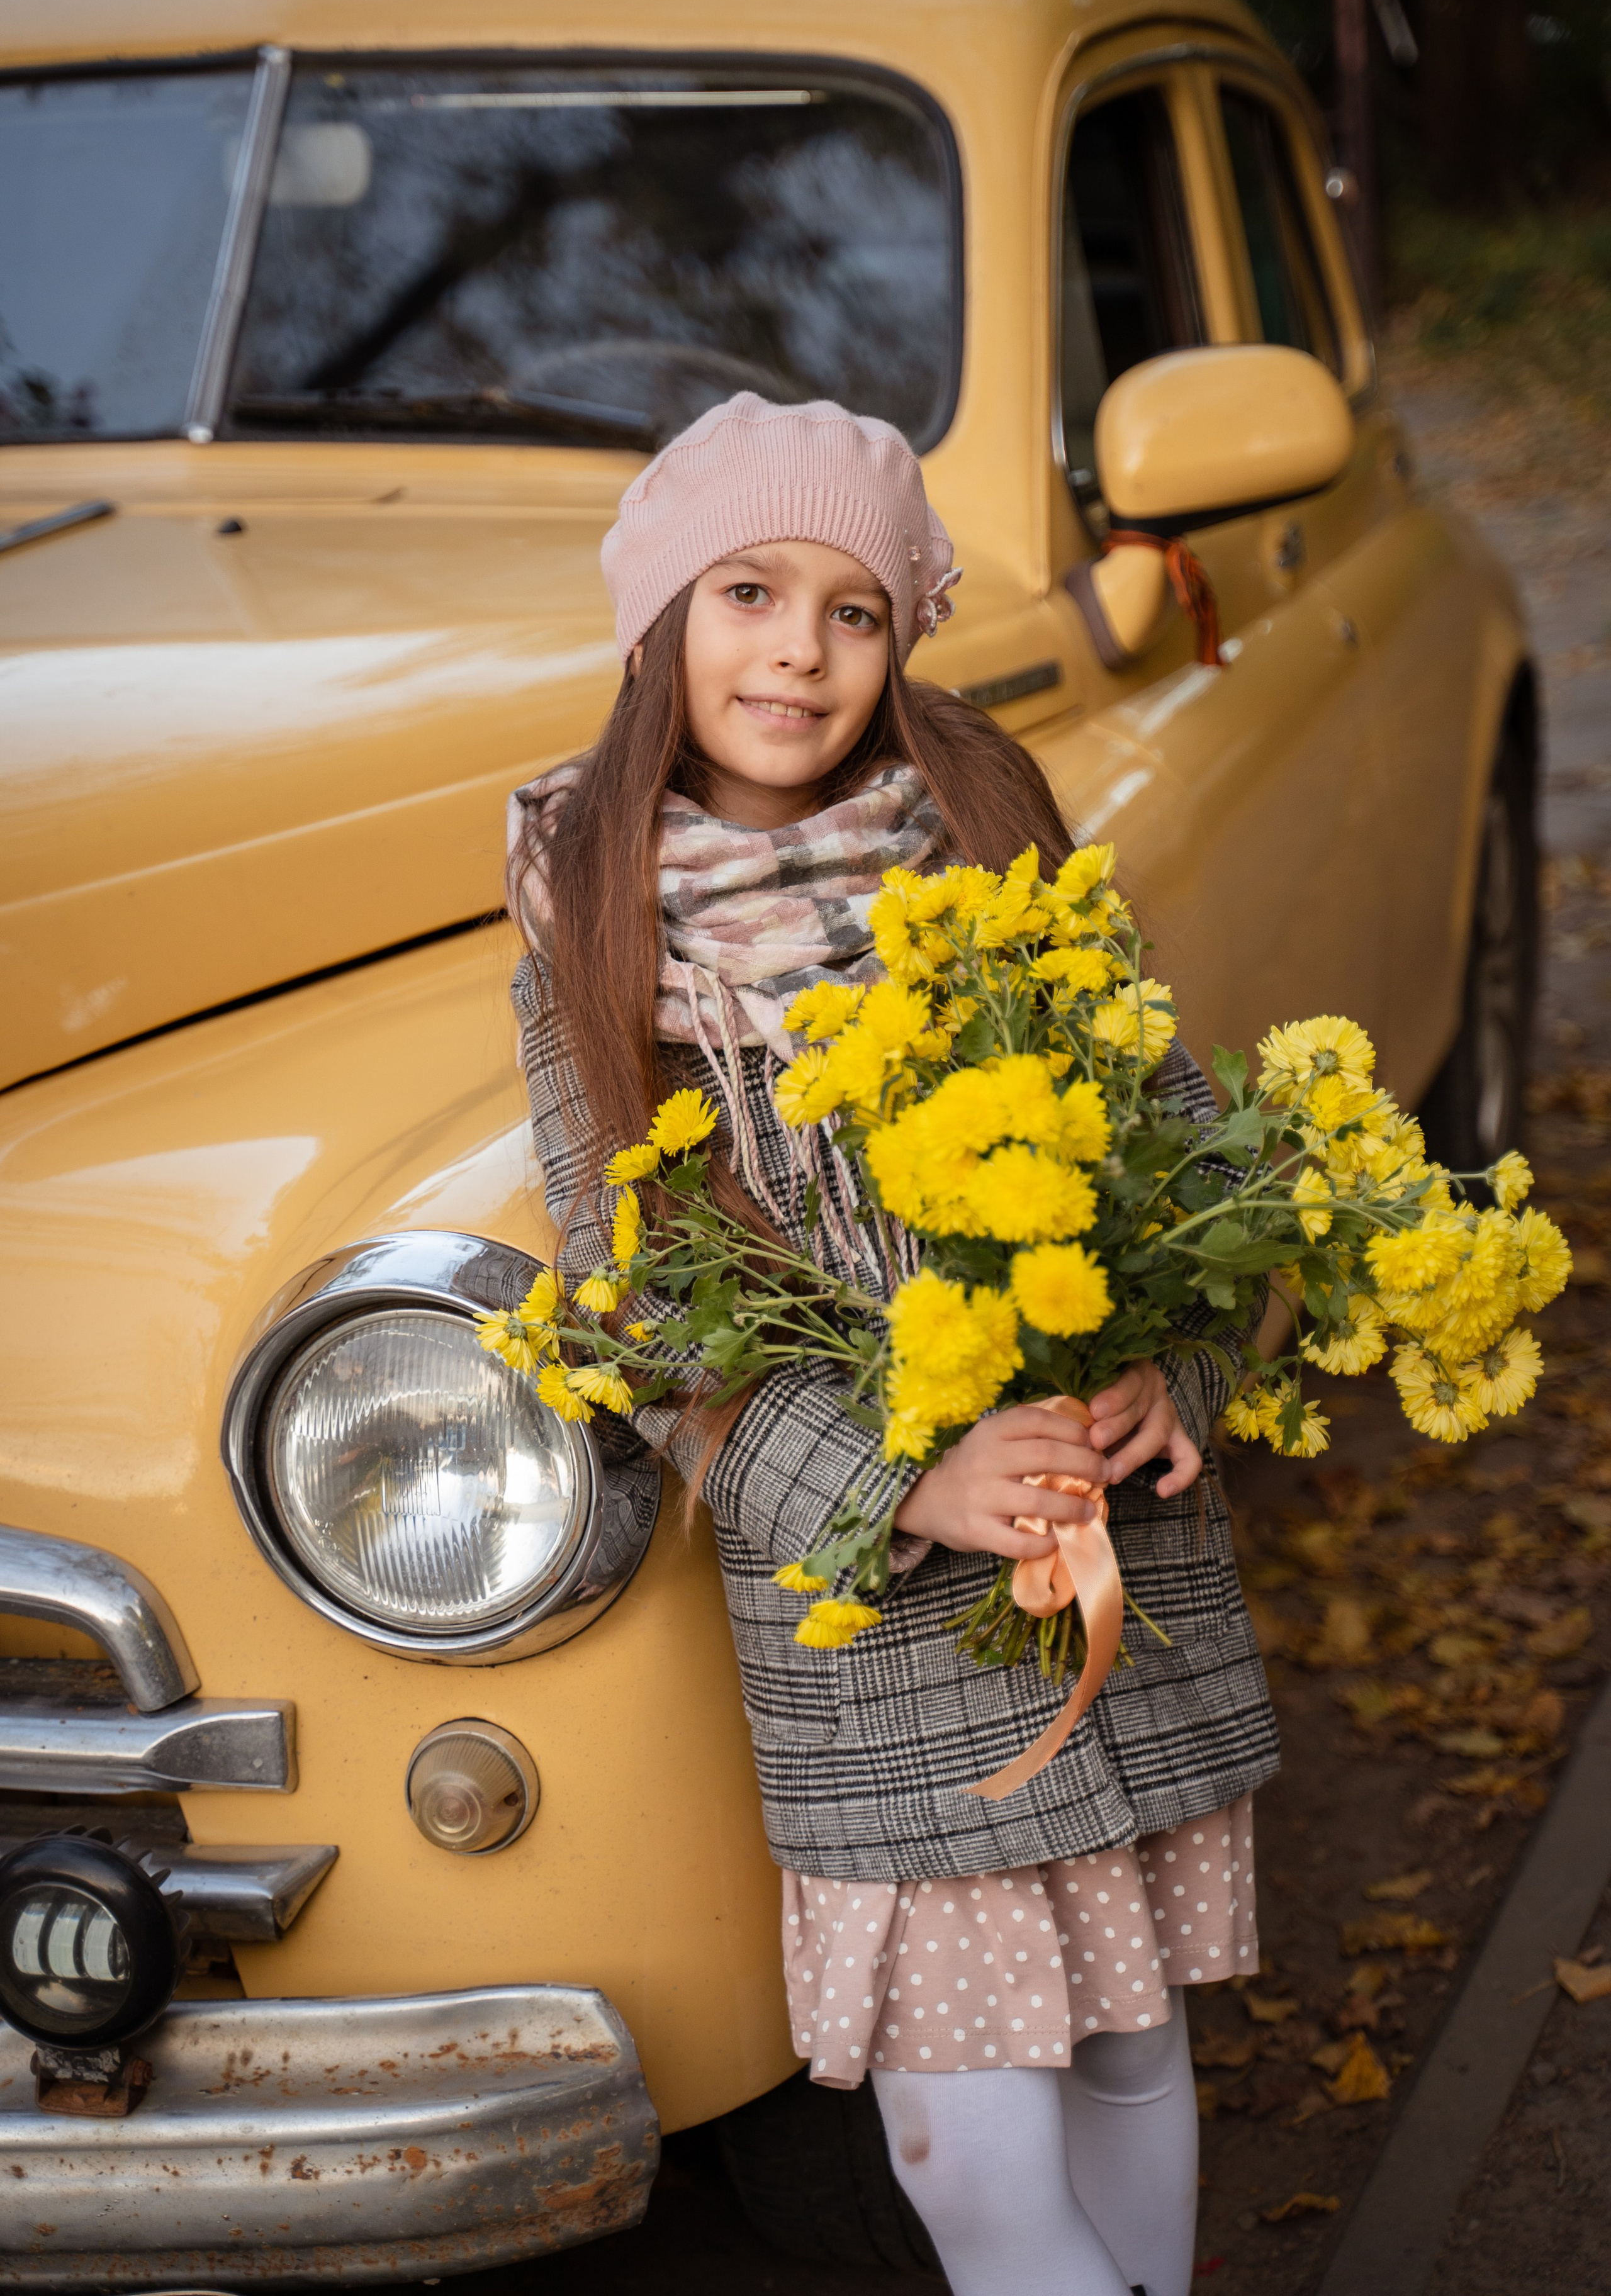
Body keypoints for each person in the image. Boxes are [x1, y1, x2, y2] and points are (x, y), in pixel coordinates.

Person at [507, 394, 1277, 2296]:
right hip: (879, 1653)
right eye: (751, 591)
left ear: (904, 634)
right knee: (964, 2155)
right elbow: (644, 1312)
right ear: (659, 620)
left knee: (1133, 2051)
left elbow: (1180, 1154)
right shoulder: (596, 930)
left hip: (1116, 1563)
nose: (799, 650)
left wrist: (1170, 1380)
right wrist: (903, 1480)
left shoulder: (994, 840)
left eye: (856, 610)